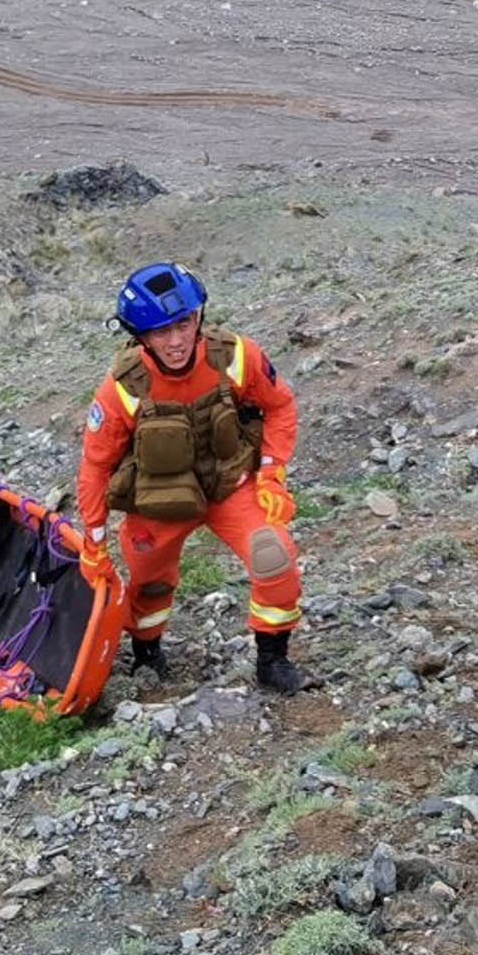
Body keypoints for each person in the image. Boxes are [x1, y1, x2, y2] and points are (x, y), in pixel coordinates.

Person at [74, 262, 307, 693]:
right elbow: (94, 466)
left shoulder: (236, 356)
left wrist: (272, 474)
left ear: (198, 317)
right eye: (162, 331)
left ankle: (272, 659)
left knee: (274, 556)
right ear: (140, 336)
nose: (177, 340)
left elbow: (279, 406)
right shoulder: (121, 388)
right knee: (150, 582)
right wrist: (93, 540)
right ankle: (148, 653)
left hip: (230, 486)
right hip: (159, 502)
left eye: (183, 323)